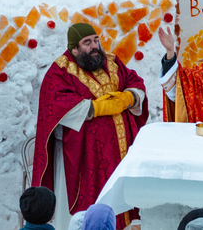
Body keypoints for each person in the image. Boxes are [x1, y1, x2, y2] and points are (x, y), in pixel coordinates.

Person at [32, 23, 148, 230]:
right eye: (87, 43)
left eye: (96, 40)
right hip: (85, 157)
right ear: (74, 49)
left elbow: (135, 81)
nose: (94, 46)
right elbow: (56, 106)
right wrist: (98, 107)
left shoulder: (111, 61)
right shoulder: (59, 71)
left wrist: (129, 97)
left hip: (120, 152)